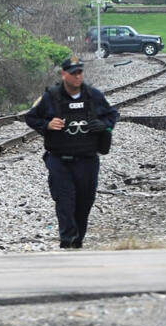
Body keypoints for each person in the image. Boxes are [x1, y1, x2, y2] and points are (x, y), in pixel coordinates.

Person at [23, 56, 117, 249]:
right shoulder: (51, 96)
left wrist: (104, 125)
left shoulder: (93, 96)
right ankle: (67, 239)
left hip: (88, 159)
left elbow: (112, 115)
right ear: (64, 74)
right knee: (65, 200)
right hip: (59, 159)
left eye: (80, 72)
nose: (77, 76)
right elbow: (31, 117)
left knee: (85, 202)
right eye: (73, 73)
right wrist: (47, 125)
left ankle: (77, 240)